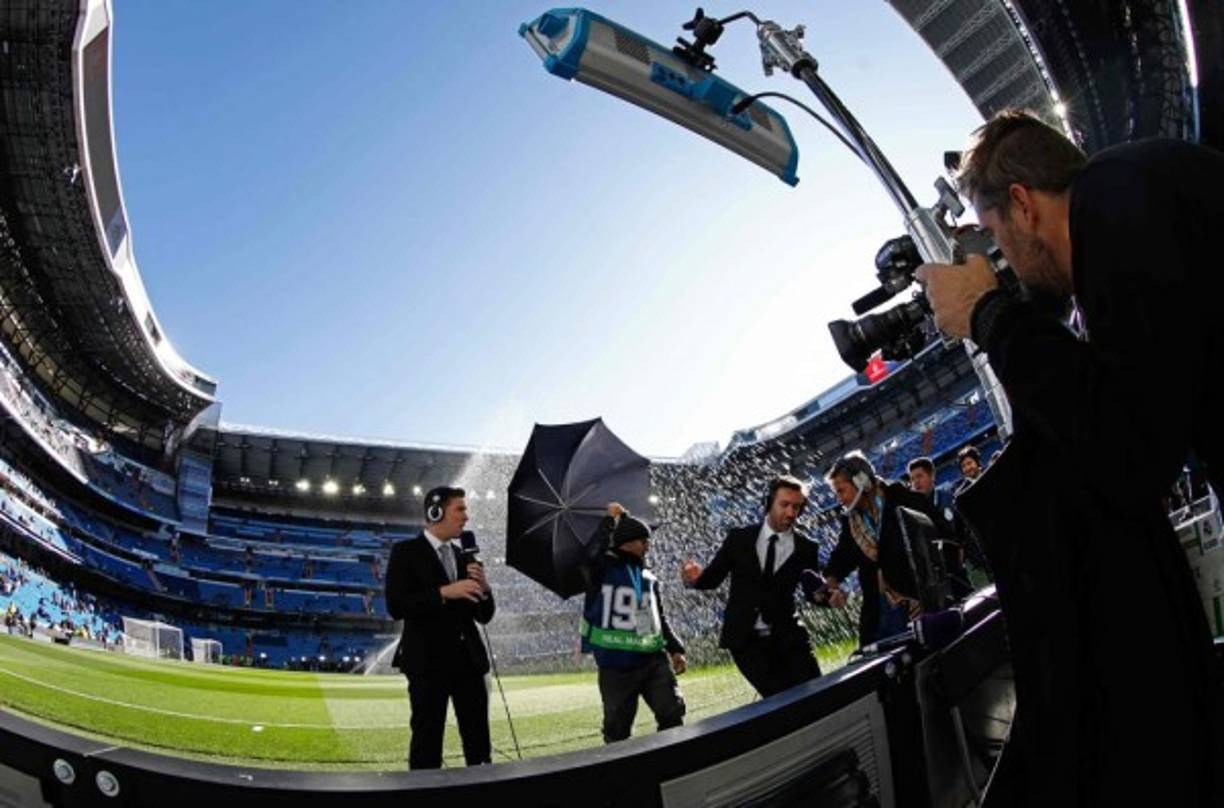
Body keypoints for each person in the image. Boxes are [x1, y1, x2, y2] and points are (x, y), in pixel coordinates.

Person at [915, 109, 1223, 805]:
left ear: (1020, 204)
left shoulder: (1116, 203)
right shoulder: (1142, 186)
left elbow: (1127, 452)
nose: (1002, 258)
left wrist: (992, 315)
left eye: (994, 235)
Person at [680, 475, 824, 697]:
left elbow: (812, 592)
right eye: (784, 505)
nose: (791, 513)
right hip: (745, 642)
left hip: (790, 637)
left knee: (816, 695)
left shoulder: (807, 548)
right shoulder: (738, 538)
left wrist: (828, 597)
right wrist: (692, 579)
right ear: (768, 503)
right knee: (778, 702)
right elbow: (711, 580)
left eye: (797, 507)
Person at [384, 486, 495, 769]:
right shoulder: (405, 552)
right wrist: (445, 592)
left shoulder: (465, 556)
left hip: (469, 662)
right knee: (426, 742)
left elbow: (484, 616)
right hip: (427, 665)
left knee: (478, 742)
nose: (466, 517)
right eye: (460, 509)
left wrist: (483, 587)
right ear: (436, 512)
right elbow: (396, 605)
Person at [581, 503, 686, 743]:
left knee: (672, 712)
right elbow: (589, 556)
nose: (648, 547)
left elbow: (659, 617)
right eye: (643, 541)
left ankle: (672, 764)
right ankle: (622, 779)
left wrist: (675, 648)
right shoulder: (601, 570)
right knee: (617, 731)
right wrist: (608, 521)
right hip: (615, 665)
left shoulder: (647, 575)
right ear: (627, 543)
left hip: (652, 659)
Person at [822, 453, 945, 647]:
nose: (839, 499)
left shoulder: (900, 497)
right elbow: (842, 556)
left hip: (915, 601)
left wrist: (929, 593)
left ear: (861, 481)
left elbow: (939, 536)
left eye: (841, 491)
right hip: (878, 609)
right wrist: (832, 582)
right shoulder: (850, 521)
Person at [907, 456, 974, 598]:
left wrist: (963, 548)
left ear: (932, 475)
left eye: (919, 476)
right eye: (912, 479)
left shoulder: (948, 497)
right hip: (938, 577)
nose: (916, 483)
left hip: (964, 566)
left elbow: (964, 527)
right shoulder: (913, 512)